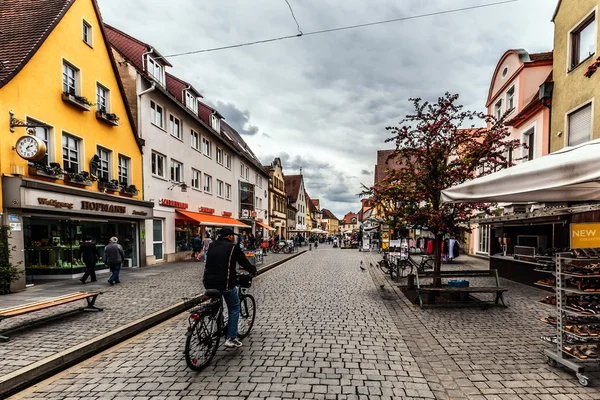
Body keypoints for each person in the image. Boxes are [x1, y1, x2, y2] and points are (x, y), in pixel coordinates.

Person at [203, 228, 257, 349]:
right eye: (232, 235)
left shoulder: (212, 246)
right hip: (225, 283)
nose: (234, 237)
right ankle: (231, 338)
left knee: (215, 304)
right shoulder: (233, 247)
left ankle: (216, 322)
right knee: (234, 308)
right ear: (229, 236)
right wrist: (252, 270)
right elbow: (244, 262)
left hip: (208, 282)